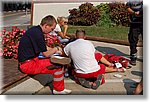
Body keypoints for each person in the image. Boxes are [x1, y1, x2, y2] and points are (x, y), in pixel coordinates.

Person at [18, 15, 71, 94]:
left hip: (29, 61)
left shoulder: (35, 30)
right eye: (51, 29)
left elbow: (44, 48)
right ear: (46, 26)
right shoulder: (38, 34)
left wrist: (55, 51)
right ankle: (58, 90)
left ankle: (59, 89)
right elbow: (46, 54)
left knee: (56, 61)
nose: (51, 31)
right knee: (58, 65)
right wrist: (56, 49)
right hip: (28, 64)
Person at [126, 0, 143, 65]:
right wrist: (134, 13)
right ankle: (133, 57)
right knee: (132, 39)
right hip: (134, 23)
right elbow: (128, 8)